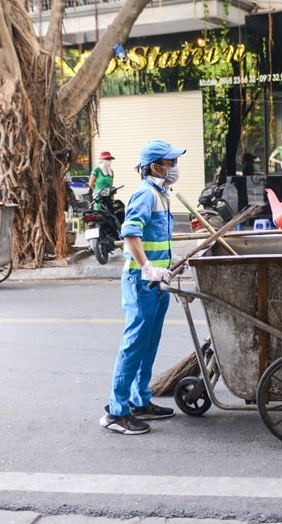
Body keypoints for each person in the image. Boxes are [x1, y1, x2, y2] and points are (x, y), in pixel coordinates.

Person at [100, 139, 184, 435]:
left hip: (157, 282)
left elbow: (157, 239)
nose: (174, 167)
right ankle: (116, 411)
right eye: (170, 162)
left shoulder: (162, 194)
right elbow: (131, 233)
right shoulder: (145, 194)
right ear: (155, 167)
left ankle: (140, 400)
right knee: (134, 345)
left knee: (149, 344)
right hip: (141, 281)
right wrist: (148, 267)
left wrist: (169, 265)